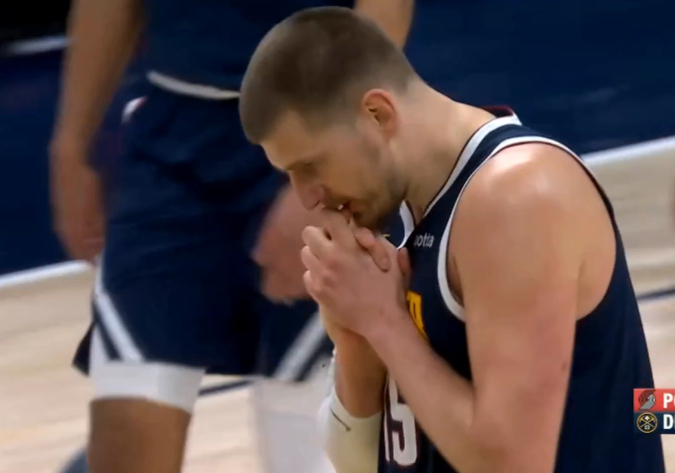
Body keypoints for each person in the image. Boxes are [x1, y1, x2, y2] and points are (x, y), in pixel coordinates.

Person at [238, 6, 666, 473]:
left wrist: (384, 321)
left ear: (377, 114)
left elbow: (514, 466)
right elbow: (359, 462)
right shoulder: (392, 205)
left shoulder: (518, 198)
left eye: (310, 165)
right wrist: (358, 340)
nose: (306, 196)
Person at [49, 1, 414, 473]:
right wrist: (71, 143)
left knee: (311, 443)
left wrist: (324, 164)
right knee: (127, 434)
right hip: (170, 143)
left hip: (311, 122)